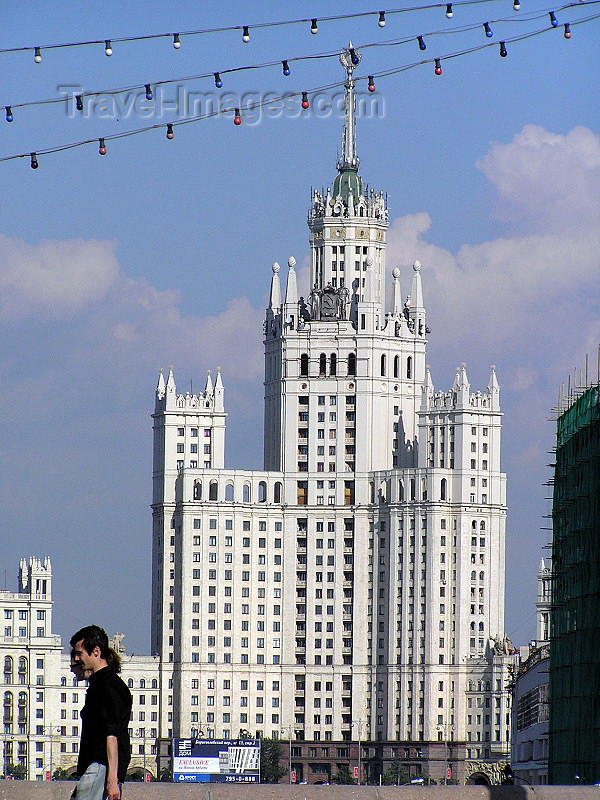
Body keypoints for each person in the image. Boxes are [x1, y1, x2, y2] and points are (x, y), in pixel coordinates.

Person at [70, 625, 132, 800]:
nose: (76, 658)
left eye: (79, 653)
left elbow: (111, 733)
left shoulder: (107, 686)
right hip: (98, 768)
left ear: (96, 651)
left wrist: (112, 779)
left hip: (100, 767)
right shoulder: (102, 684)